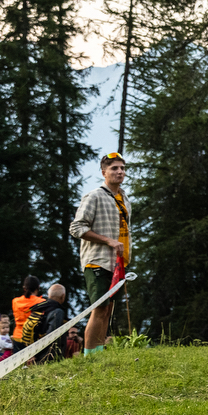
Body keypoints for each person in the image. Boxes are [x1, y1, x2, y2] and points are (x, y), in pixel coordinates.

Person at [69, 151, 132, 355]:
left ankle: (98, 353)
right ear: (104, 172)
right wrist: (108, 241)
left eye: (122, 168)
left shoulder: (125, 198)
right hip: (96, 261)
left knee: (108, 310)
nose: (119, 172)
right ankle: (88, 356)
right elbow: (76, 228)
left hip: (117, 263)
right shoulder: (94, 196)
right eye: (114, 168)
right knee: (99, 308)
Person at [14, 283, 69, 363]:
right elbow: (52, 336)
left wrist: (33, 353)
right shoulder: (57, 312)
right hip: (49, 358)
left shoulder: (39, 307)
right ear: (63, 296)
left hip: (33, 354)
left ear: (48, 295)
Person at [11, 276, 44, 344]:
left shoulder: (15, 301)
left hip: (17, 336)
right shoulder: (41, 302)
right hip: (32, 337)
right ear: (38, 287)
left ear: (24, 288)